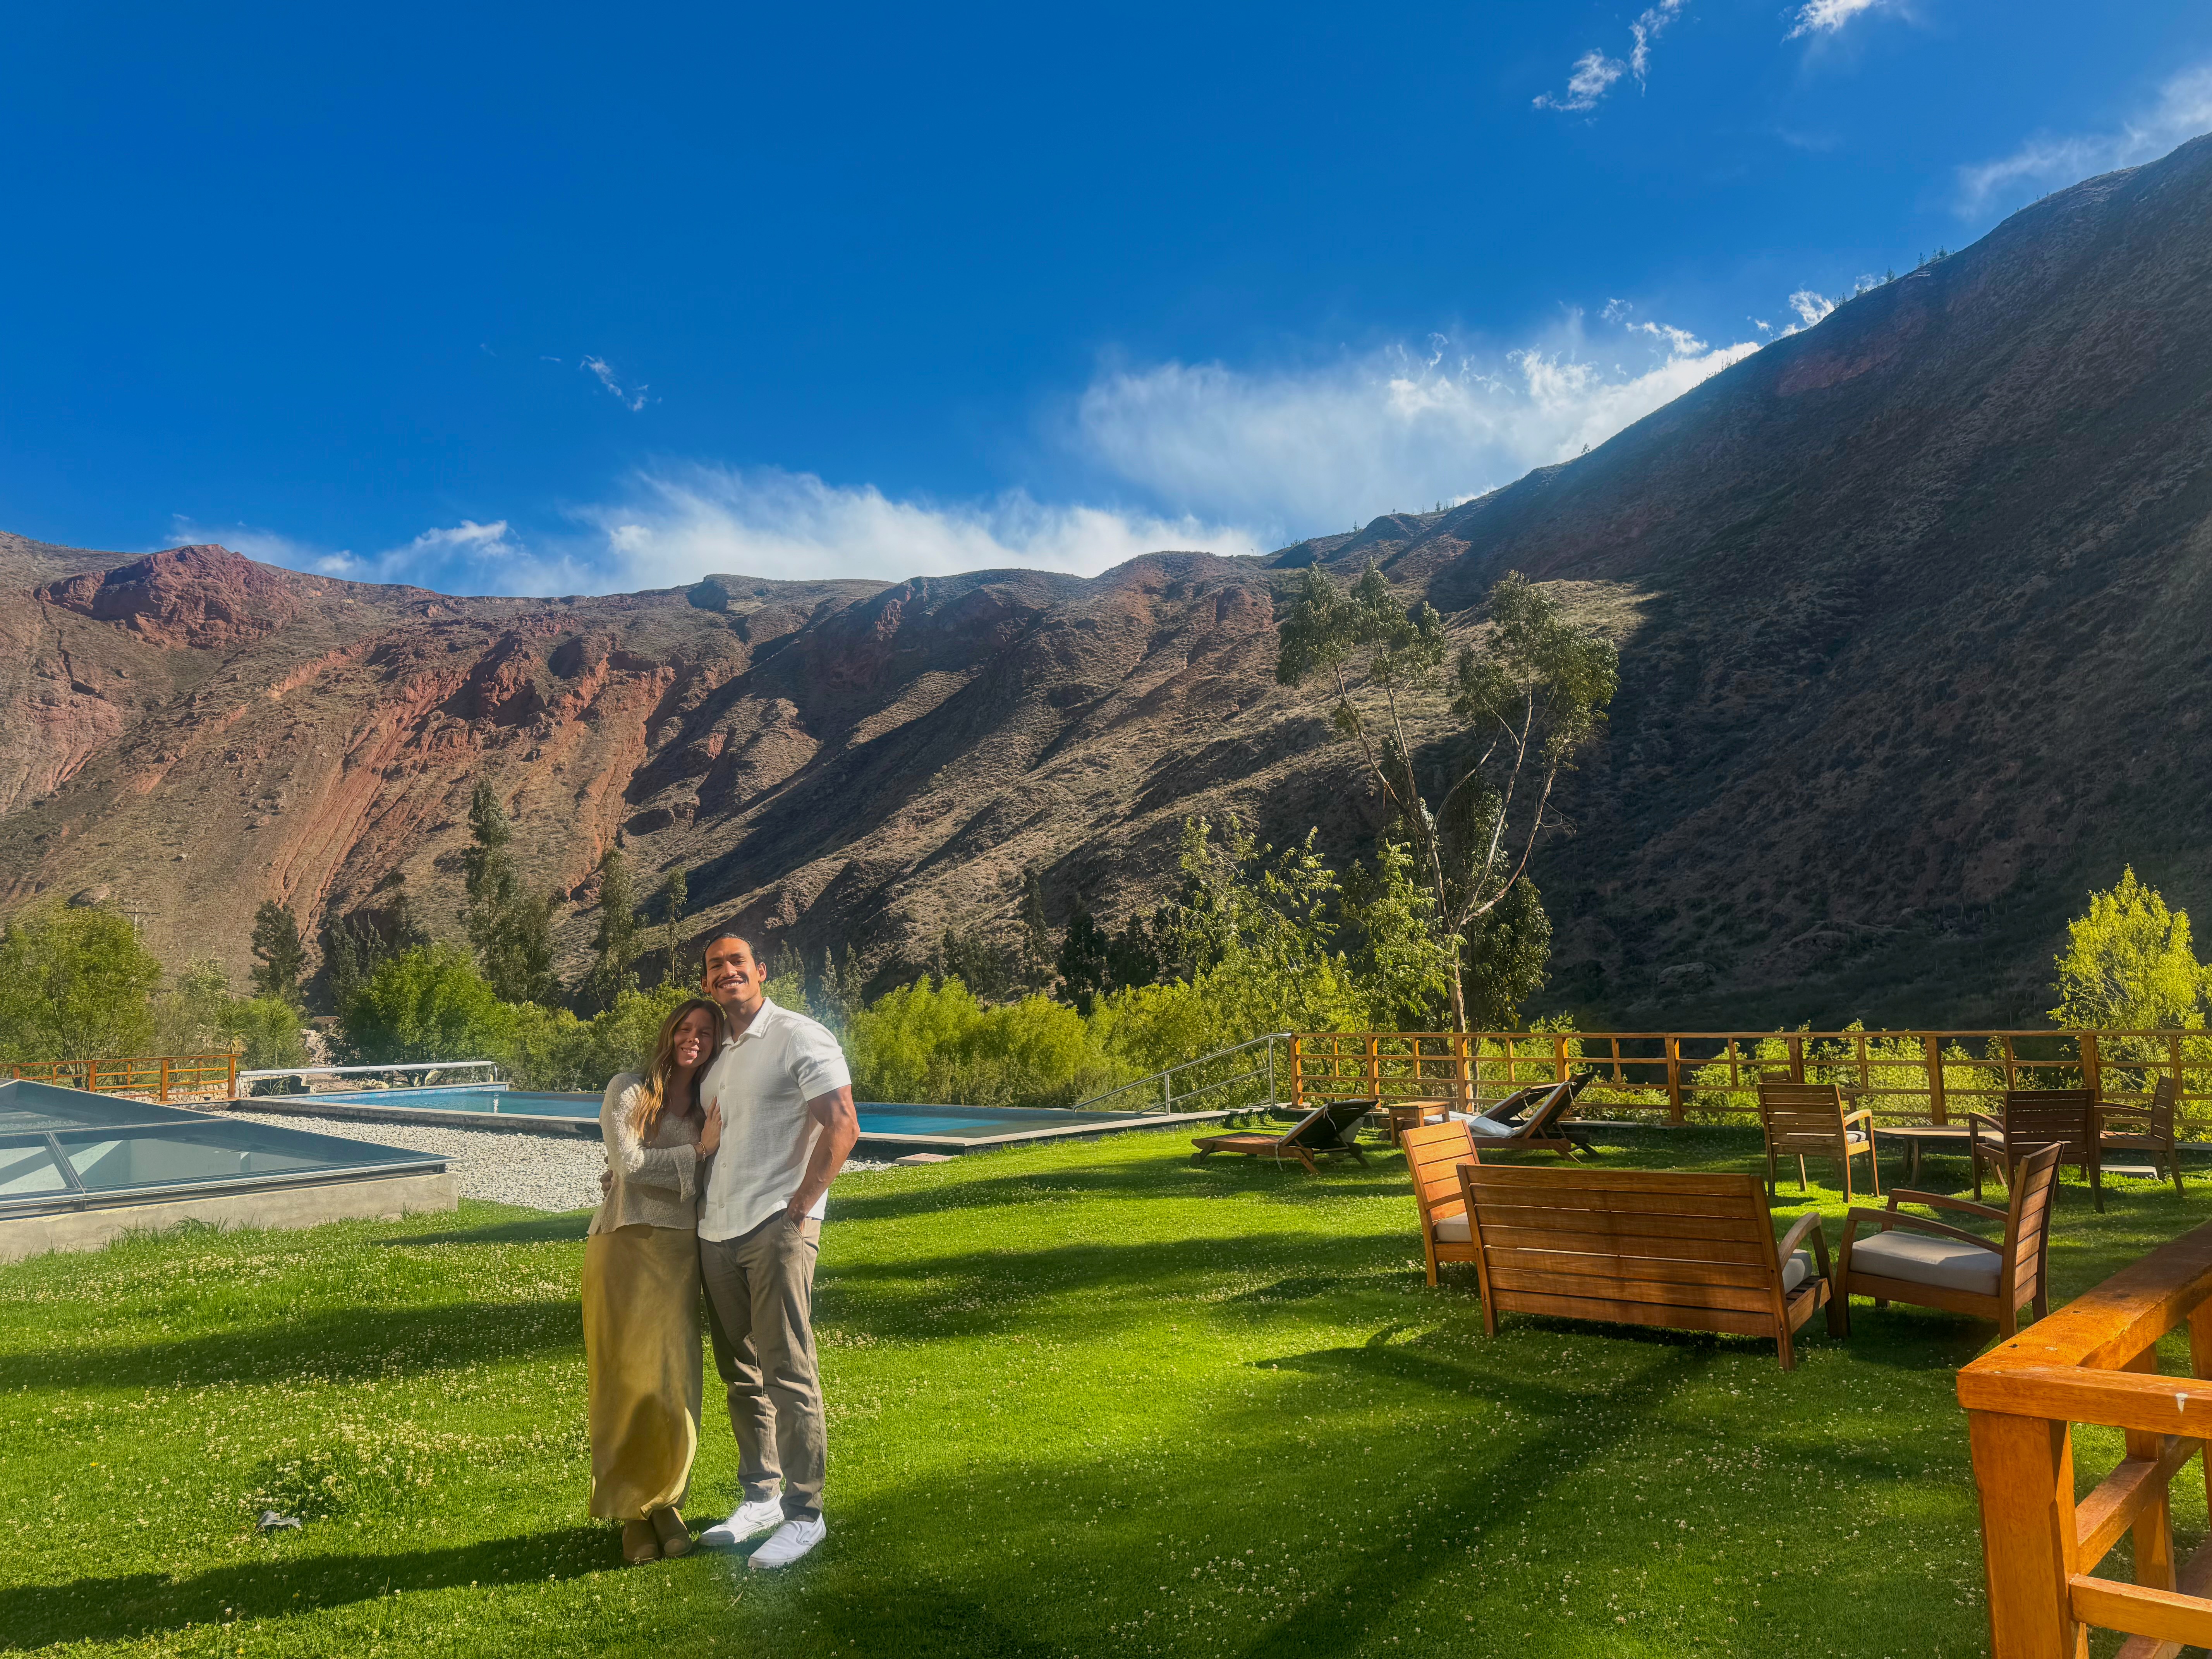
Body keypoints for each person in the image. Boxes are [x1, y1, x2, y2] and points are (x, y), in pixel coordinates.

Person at [689, 931, 860, 1570]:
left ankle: (805, 1513)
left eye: (738, 961)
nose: (727, 971)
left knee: (788, 1370)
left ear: (761, 971)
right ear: (707, 983)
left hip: (774, 1226)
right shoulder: (720, 1053)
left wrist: (801, 1208)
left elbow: (843, 1121)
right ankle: (759, 1496)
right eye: (715, 966)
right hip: (717, 1230)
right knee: (742, 1374)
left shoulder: (798, 1035)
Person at [584, 996, 725, 1565]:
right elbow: (629, 1166)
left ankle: (666, 1502)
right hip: (622, 1245)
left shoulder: (712, 1104)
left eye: (707, 1033)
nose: (695, 1038)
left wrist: (700, 1152)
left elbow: (716, 1165)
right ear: (669, 1033)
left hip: (678, 1255)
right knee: (624, 1378)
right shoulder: (628, 1088)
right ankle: (630, 1513)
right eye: (686, 1028)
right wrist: (697, 1153)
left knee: (674, 1380)